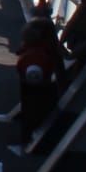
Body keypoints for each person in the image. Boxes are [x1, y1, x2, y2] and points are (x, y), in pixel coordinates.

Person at [13, 16, 68, 147]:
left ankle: (26, 138)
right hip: (42, 94)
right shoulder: (44, 54)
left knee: (31, 109)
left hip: (34, 94)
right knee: (34, 109)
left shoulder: (32, 55)